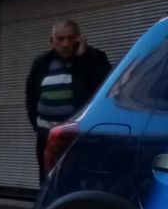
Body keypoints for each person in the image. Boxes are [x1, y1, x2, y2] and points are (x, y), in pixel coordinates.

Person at [26, 19, 112, 179]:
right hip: (47, 137)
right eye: (60, 39)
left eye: (71, 38)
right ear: (52, 41)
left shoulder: (94, 58)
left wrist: (82, 57)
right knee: (48, 179)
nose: (65, 44)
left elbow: (106, 88)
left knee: (77, 179)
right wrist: (37, 125)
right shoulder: (41, 63)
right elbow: (31, 96)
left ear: (79, 38)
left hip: (79, 137)